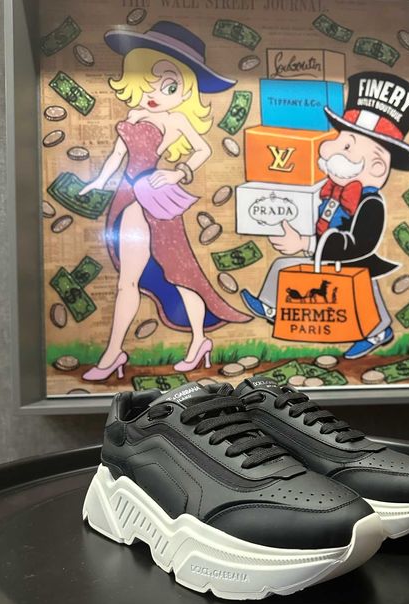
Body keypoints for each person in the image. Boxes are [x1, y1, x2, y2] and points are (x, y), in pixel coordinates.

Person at [81, 22, 250, 382]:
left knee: (181, 274)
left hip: (156, 200)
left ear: (185, 91)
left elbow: (203, 150)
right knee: (129, 280)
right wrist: (97, 181)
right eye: (147, 81)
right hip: (127, 197)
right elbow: (116, 157)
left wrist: (178, 173)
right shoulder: (131, 118)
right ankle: (114, 352)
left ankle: (199, 340)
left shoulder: (175, 120)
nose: (155, 92)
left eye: (169, 85)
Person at [241, 71, 409, 359]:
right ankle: (271, 306)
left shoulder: (370, 203)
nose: (327, 148)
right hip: (325, 254)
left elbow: (359, 245)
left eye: (346, 145)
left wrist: (307, 244)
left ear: (377, 167)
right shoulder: (330, 190)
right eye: (339, 139)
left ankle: (378, 332)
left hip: (354, 259)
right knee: (282, 265)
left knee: (365, 285)